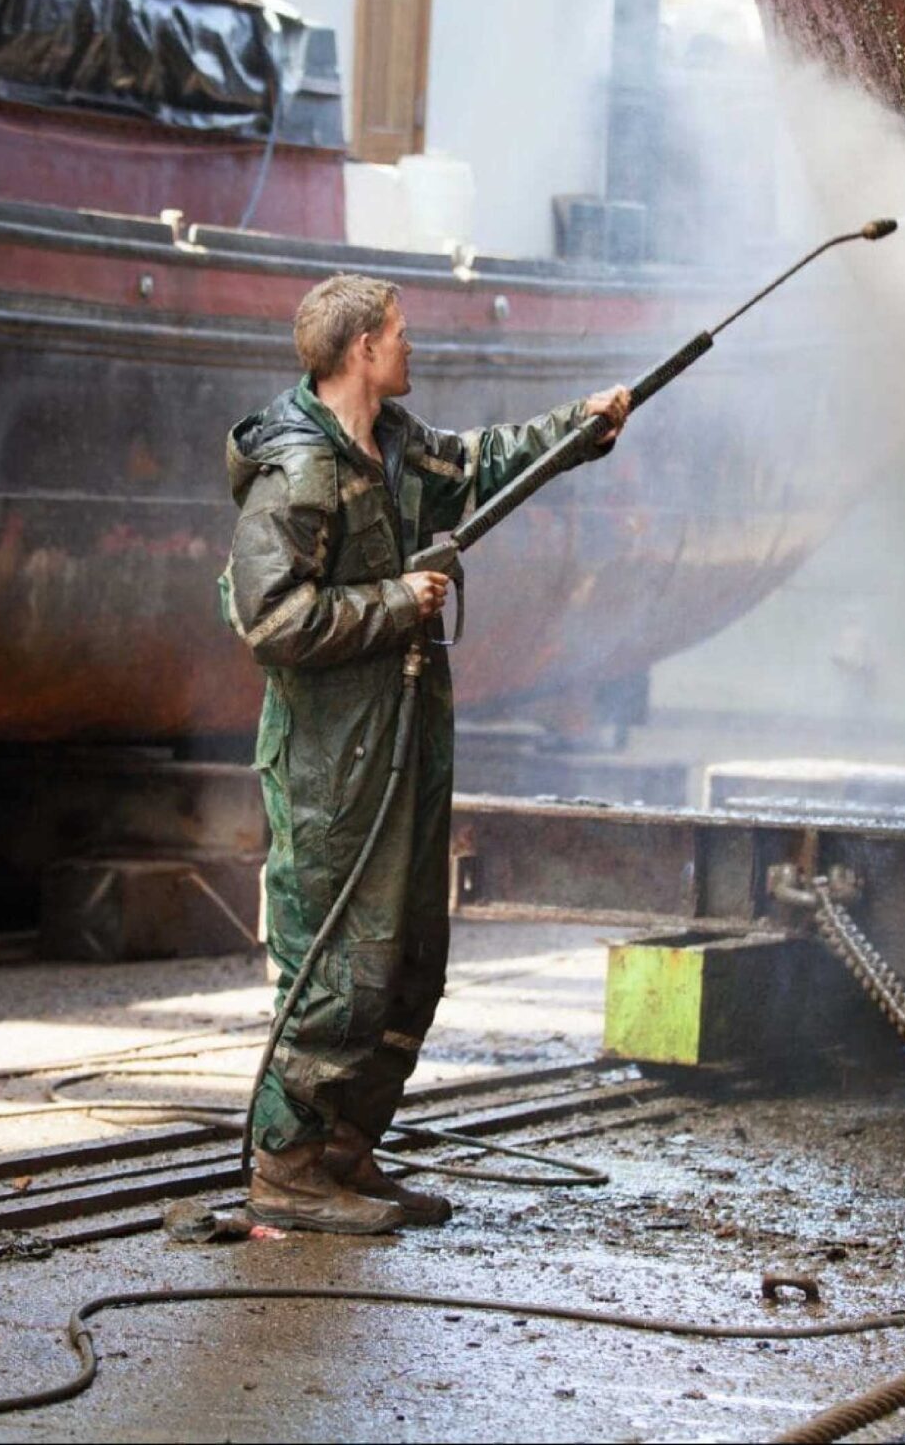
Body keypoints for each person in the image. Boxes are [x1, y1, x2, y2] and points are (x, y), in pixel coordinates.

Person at [220, 273, 632, 1234]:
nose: (412, 346)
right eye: (400, 333)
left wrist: (582, 426)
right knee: (336, 961)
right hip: (330, 757)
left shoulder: (394, 444)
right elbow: (269, 618)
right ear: (361, 349)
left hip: (401, 731)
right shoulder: (298, 469)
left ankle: (345, 1151)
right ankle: (285, 1164)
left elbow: (480, 462)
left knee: (408, 957)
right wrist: (400, 602)